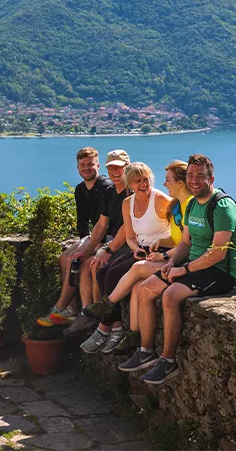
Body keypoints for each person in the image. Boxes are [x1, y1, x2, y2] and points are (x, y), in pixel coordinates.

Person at [119, 153, 236, 385]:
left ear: (211, 178)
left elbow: (218, 252)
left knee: (170, 295)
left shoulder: (222, 206)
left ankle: (168, 360)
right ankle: (146, 352)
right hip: (193, 266)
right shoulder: (193, 204)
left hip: (219, 272)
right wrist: (171, 263)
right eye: (190, 175)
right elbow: (185, 242)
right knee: (145, 289)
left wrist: (183, 271)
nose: (194, 180)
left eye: (200, 176)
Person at [81, 160, 192, 353]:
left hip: (160, 253)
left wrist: (162, 250)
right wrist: (135, 249)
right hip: (141, 249)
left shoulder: (163, 201)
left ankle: (105, 328)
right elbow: (131, 237)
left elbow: (180, 237)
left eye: (146, 179)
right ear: (130, 184)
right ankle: (115, 326)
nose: (143, 184)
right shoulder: (127, 203)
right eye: (137, 181)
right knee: (102, 273)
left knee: (113, 275)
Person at [36, 146, 112, 327]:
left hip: (106, 236)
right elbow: (82, 221)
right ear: (77, 168)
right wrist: (83, 241)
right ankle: (70, 309)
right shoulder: (80, 189)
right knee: (63, 258)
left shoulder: (105, 187)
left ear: (98, 165)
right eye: (82, 165)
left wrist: (89, 247)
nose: (86, 168)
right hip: (93, 235)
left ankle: (60, 306)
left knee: (73, 260)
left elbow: (105, 224)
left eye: (90, 164)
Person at [60, 149, 132, 336]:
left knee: (93, 265)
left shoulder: (131, 191)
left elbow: (126, 229)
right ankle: (85, 312)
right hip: (109, 240)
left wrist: (105, 249)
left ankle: (101, 322)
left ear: (127, 167)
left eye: (119, 168)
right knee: (75, 259)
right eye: (112, 168)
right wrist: (87, 248)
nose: (115, 172)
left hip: (129, 244)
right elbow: (100, 224)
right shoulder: (110, 191)